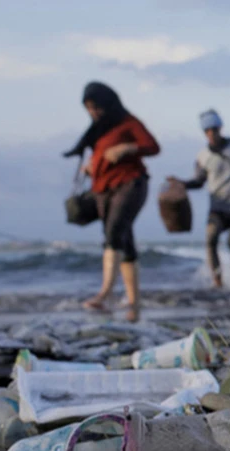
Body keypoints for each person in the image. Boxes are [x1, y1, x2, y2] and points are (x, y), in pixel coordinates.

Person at [63, 82, 159, 323]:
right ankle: (133, 300)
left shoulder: (128, 122)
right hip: (103, 189)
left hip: (130, 184)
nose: (93, 112)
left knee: (114, 232)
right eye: (88, 108)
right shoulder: (98, 129)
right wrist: (91, 167)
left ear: (107, 103)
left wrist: (127, 147)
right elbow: (98, 156)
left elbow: (153, 146)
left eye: (96, 107)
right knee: (124, 240)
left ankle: (104, 293)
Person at [167, 110, 230, 289]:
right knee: (210, 239)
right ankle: (218, 284)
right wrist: (181, 183)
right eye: (207, 131)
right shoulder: (202, 156)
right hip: (218, 208)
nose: (211, 134)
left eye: (214, 129)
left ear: (220, 128)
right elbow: (198, 181)